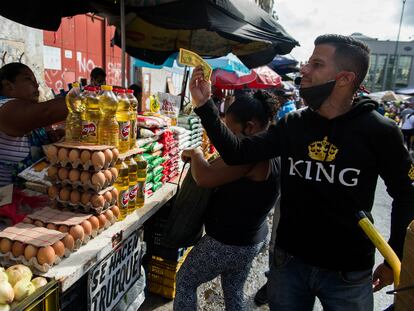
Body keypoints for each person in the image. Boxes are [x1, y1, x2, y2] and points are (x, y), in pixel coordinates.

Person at [189, 34, 414, 311]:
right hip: (290, 264)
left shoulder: (380, 131)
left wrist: (396, 255)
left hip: (348, 272)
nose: (304, 70)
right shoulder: (294, 124)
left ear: (344, 78)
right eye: (308, 62)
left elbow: (406, 194)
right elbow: (238, 152)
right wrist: (205, 106)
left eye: (316, 64)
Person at [173, 90, 281, 311]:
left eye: (229, 133)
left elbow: (204, 177)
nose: (227, 141)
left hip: (226, 243)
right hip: (252, 240)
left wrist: (196, 154)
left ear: (250, 127)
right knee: (233, 291)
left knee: (185, 281)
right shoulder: (275, 148)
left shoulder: (250, 155)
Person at [0, 62, 68, 186]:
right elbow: (47, 112)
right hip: (6, 201)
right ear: (8, 86)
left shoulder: (30, 112)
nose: (36, 85)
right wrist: (87, 100)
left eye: (36, 81)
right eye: (28, 79)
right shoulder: (3, 108)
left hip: (32, 199)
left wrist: (54, 141)